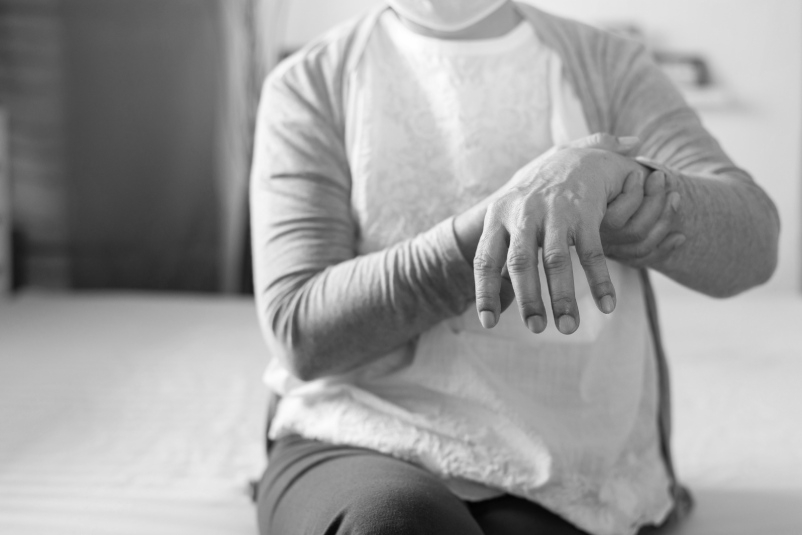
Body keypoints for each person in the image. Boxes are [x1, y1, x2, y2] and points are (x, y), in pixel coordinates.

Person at [248, 1, 780, 534]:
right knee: (394, 525)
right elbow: (301, 330)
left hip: (568, 458)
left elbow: (754, 245)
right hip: (357, 434)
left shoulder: (607, 65)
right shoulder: (309, 83)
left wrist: (625, 187)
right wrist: (513, 219)